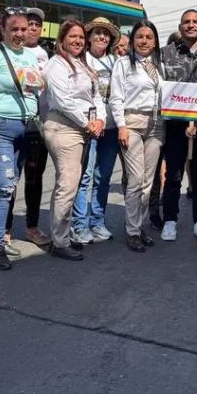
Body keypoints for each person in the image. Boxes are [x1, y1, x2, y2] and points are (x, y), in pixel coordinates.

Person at [0, 8, 44, 270]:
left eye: (24, 29)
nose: (20, 34)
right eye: (14, 29)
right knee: (3, 187)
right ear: (2, 30)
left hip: (24, 130)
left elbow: (33, 89)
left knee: (9, 186)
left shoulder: (29, 56)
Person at [43, 21, 104, 260]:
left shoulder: (83, 63)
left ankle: (63, 235)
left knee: (70, 184)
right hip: (64, 128)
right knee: (67, 185)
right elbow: (63, 100)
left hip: (83, 128)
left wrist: (99, 120)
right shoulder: (56, 64)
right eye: (72, 36)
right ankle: (60, 242)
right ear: (62, 39)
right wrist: (87, 122)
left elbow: (96, 96)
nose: (78, 40)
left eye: (81, 37)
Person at [158, 9, 197, 242]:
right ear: (180, 27)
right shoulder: (166, 53)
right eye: (187, 22)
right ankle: (170, 220)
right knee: (173, 175)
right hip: (175, 127)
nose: (191, 25)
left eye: (195, 22)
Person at [110, 20, 165, 252]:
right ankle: (132, 231)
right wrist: (121, 126)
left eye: (149, 37)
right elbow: (116, 97)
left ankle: (139, 227)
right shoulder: (123, 63)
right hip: (131, 123)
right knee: (135, 179)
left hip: (157, 125)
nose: (144, 41)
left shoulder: (160, 64)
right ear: (132, 40)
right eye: (140, 36)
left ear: (155, 41)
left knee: (148, 181)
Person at [71, 17, 123, 244]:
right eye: (98, 33)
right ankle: (80, 225)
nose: (102, 37)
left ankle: (98, 221)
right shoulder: (80, 60)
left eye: (106, 34)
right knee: (85, 177)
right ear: (89, 37)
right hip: (89, 127)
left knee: (103, 177)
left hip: (111, 127)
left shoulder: (116, 62)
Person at [5, 7, 51, 248]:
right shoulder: (7, 52)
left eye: (36, 25)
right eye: (28, 24)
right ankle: (5, 228)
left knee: (34, 177)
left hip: (37, 125)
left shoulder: (46, 56)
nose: (32, 29)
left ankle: (32, 226)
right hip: (11, 122)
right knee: (9, 178)